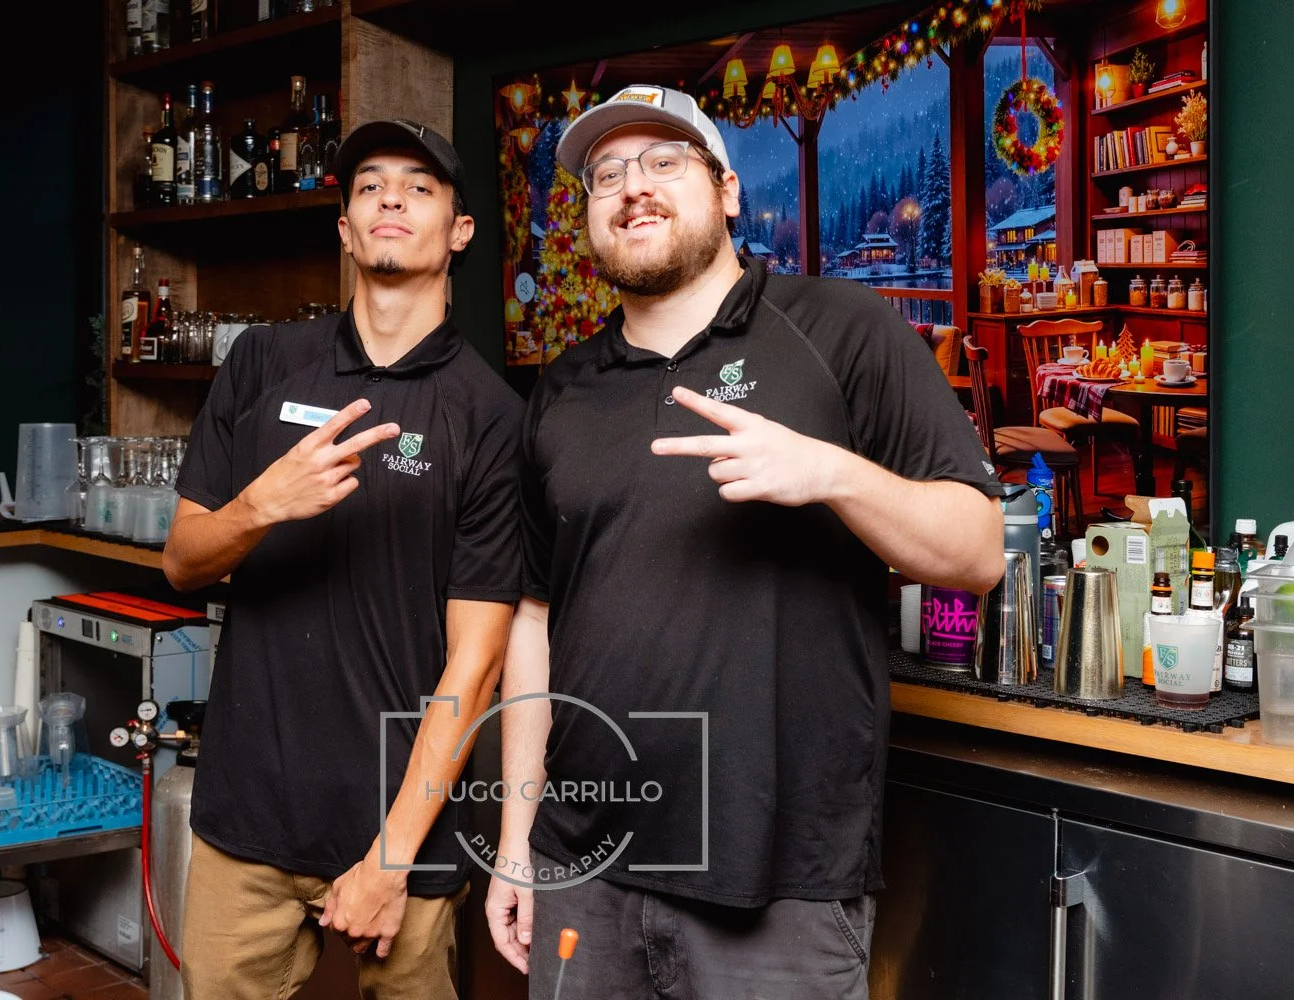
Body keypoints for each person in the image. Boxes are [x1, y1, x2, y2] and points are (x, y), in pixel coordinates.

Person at [484, 85, 1005, 1000]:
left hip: (781, 888)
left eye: (663, 161)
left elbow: (978, 552)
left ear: (727, 191)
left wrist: (834, 474)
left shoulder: (843, 332)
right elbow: (534, 618)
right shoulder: (561, 390)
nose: (633, 187)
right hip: (585, 868)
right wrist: (518, 839)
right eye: (607, 174)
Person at [163, 119, 522, 1000]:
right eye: (369, 186)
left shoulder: (491, 416)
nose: (390, 197)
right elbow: (183, 563)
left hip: (402, 831)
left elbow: (476, 667)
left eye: (419, 186)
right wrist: (261, 505)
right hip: (247, 816)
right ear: (345, 229)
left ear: (460, 230)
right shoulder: (262, 363)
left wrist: (391, 860)